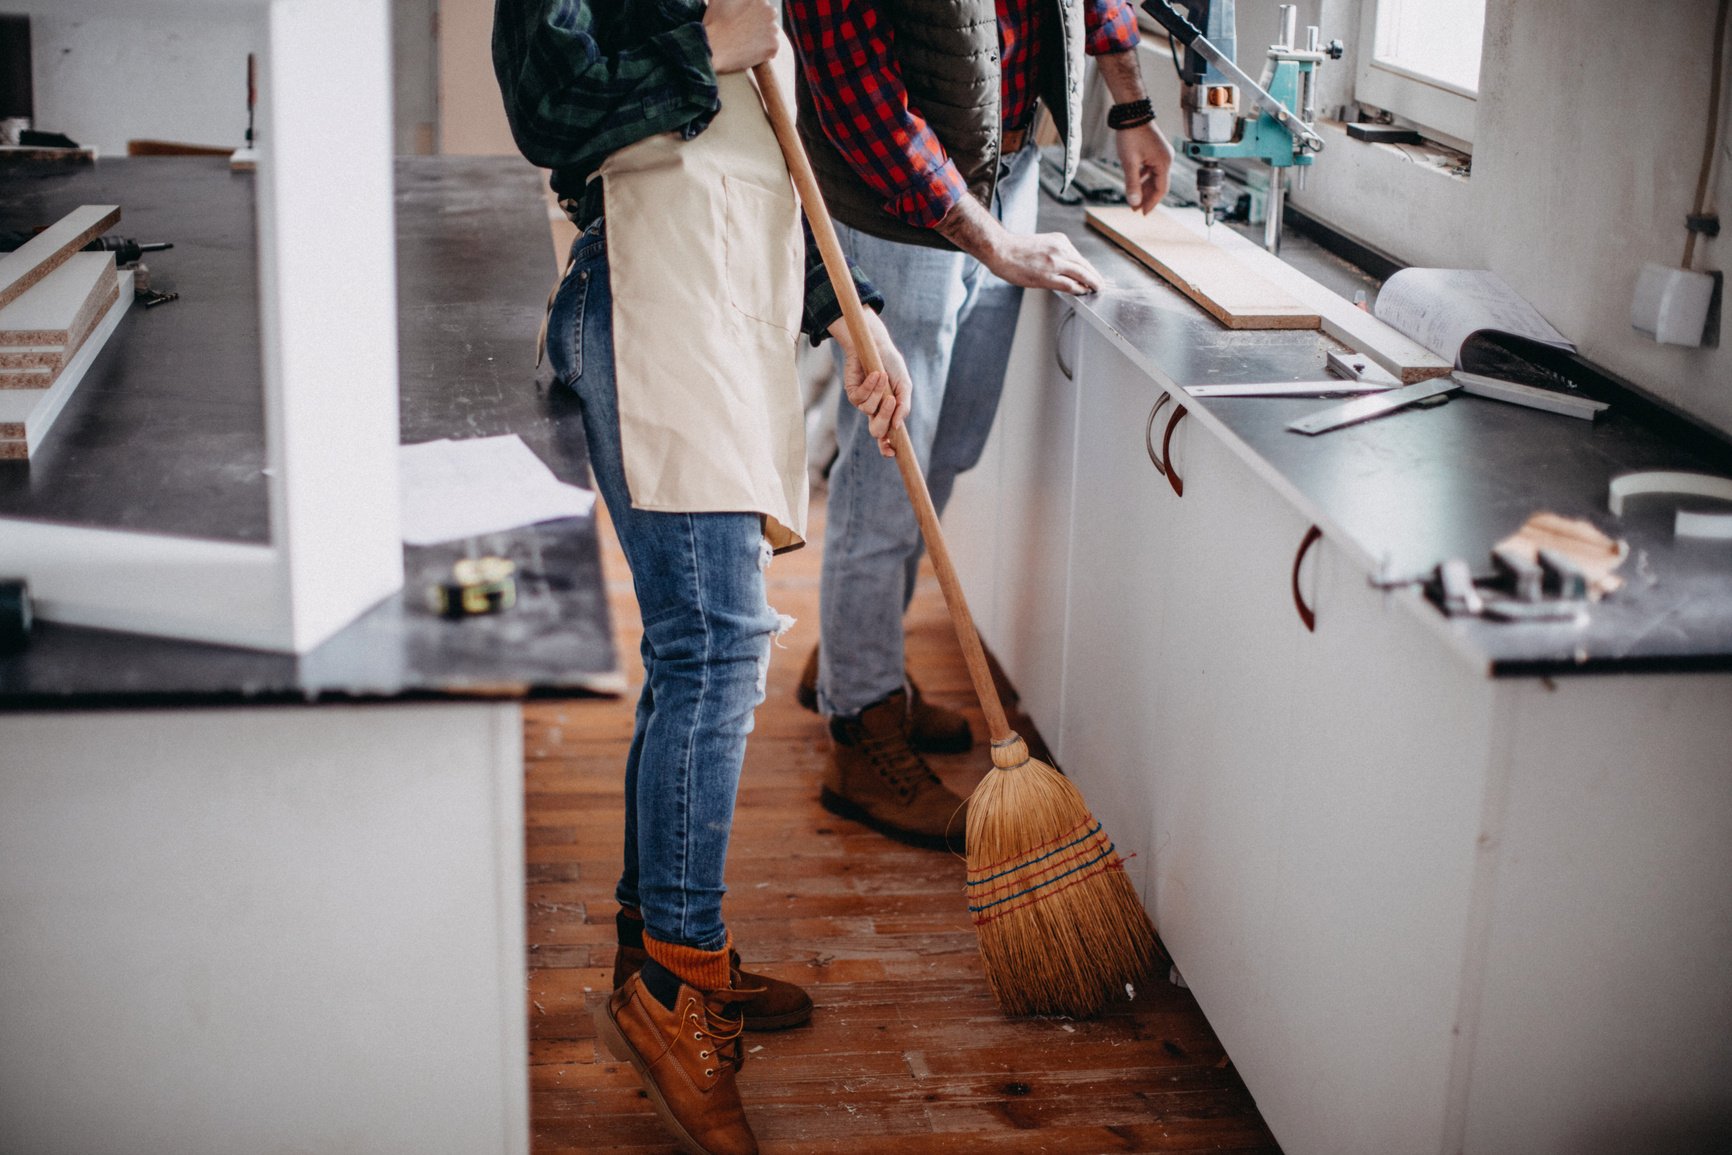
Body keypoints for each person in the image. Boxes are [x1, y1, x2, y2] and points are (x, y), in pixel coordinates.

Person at [493, 2, 912, 1151]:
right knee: (718, 645)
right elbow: (544, 102)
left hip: (727, 313)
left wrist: (849, 313)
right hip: (646, 304)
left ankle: (663, 947)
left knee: (701, 646)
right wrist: (705, 43)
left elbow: (766, 165)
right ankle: (674, 986)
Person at [783, 0, 1175, 850]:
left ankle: (858, 655)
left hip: (1010, 169)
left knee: (951, 443)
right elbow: (859, 102)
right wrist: (991, 243)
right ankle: (859, 729)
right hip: (893, 204)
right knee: (893, 470)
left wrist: (1132, 106)